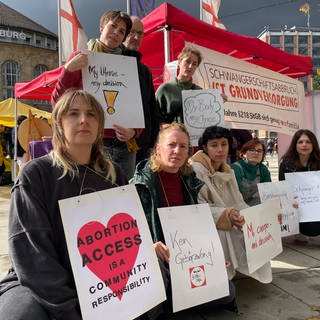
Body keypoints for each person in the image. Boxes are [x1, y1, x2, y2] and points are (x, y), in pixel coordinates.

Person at [0, 89, 127, 320]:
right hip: (38, 281)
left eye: (91, 114)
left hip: (99, 280)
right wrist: (70, 310)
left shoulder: (114, 174)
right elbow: (32, 255)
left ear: (100, 124)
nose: (83, 120)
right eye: (73, 113)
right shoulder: (35, 174)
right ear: (58, 123)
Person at [130, 123, 237, 318]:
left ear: (189, 151)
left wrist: (211, 256)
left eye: (183, 146)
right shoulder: (139, 184)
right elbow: (130, 234)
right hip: (159, 259)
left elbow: (198, 226)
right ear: (158, 148)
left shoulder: (190, 181)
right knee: (155, 285)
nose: (177, 151)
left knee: (228, 294)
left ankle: (179, 299)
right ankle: (170, 302)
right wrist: (149, 246)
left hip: (186, 257)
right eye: (171, 145)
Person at [51, 10, 154, 180]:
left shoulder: (129, 65)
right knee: (91, 193)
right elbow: (57, 103)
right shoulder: (80, 58)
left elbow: (137, 106)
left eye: (121, 31)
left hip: (124, 148)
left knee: (122, 196)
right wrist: (68, 71)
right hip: (91, 144)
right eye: (113, 26)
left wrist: (134, 131)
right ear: (101, 27)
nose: (116, 32)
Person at [189, 126, 272, 283]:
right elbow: (197, 208)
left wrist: (252, 216)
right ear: (205, 147)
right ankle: (222, 278)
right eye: (214, 145)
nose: (220, 149)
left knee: (256, 224)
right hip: (208, 221)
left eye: (224, 144)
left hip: (229, 215)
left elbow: (238, 201)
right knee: (226, 231)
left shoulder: (228, 170)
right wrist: (227, 215)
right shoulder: (195, 170)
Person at [123, 15, 160, 164]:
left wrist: (152, 142)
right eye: (132, 32)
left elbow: (151, 108)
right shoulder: (108, 63)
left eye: (140, 34)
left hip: (142, 146)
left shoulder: (144, 70)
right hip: (117, 144)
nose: (136, 37)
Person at [279, 129, 320, 241]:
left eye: (308, 142)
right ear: (295, 145)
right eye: (300, 142)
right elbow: (283, 188)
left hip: (316, 206)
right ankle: (299, 229)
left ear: (313, 145)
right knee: (310, 229)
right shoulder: (286, 164)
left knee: (315, 228)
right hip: (296, 207)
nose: (304, 145)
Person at [155, 44, 203, 124]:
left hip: (194, 136)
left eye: (194, 64)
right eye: (187, 62)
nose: (190, 66)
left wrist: (217, 100)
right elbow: (154, 116)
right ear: (179, 63)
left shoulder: (200, 91)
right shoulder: (165, 89)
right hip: (172, 135)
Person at [231, 139, 271, 206]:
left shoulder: (263, 169)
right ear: (243, 153)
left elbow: (268, 191)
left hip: (257, 206)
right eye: (251, 150)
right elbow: (235, 197)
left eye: (259, 151)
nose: (256, 153)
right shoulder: (235, 168)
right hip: (237, 206)